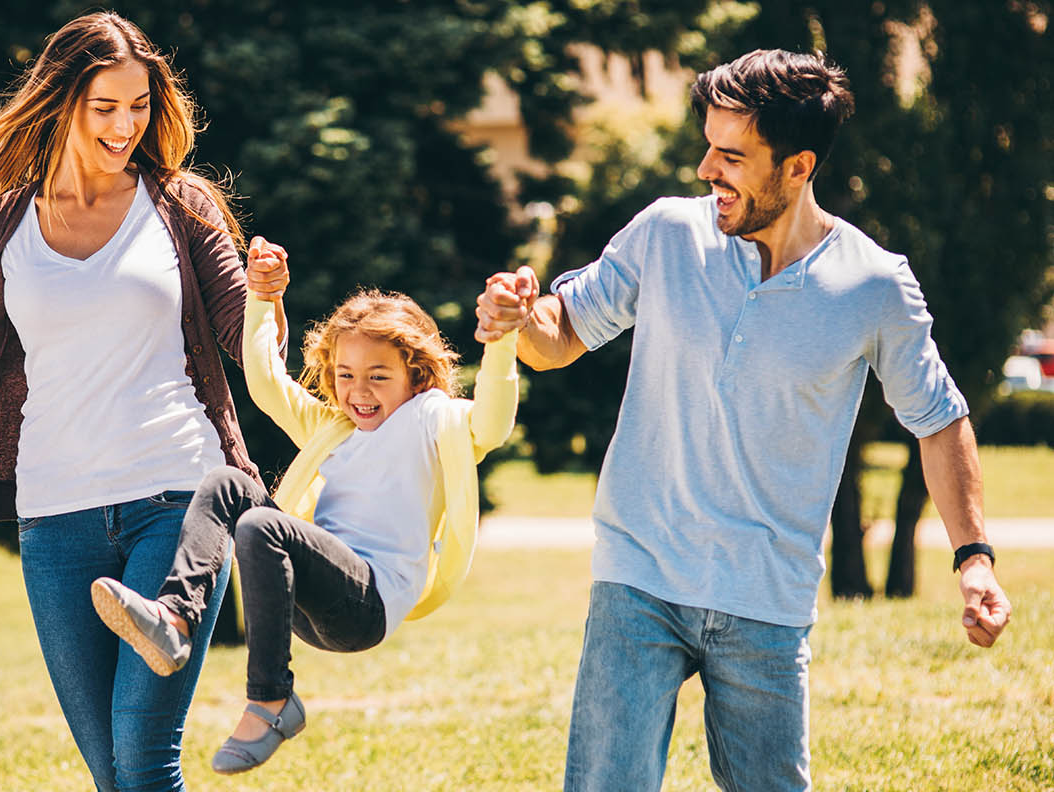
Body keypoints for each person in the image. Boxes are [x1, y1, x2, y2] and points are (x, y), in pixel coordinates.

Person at [475, 49, 1012, 792]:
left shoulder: (874, 285)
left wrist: (973, 558)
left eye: (732, 156)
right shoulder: (665, 233)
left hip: (767, 600)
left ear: (797, 168)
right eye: (707, 148)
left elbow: (939, 420)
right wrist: (516, 318)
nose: (705, 171)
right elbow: (561, 333)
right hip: (639, 578)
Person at [0, 13, 289, 791]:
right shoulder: (6, 221)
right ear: (61, 103)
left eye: (140, 105)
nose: (127, 126)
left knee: (145, 764)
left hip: (177, 498)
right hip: (56, 519)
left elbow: (250, 343)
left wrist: (267, 298)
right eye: (105, 107)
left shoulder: (180, 205)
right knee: (112, 775)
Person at [90, 241, 521, 774]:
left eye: (378, 376)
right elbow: (266, 381)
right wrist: (261, 296)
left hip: (366, 604)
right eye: (345, 374)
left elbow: (494, 424)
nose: (358, 391)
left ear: (417, 373)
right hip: (305, 595)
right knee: (228, 483)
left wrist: (502, 342)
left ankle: (271, 699)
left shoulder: (434, 419)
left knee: (264, 527)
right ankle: (176, 617)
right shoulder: (334, 428)